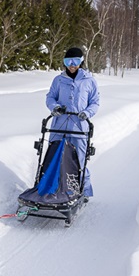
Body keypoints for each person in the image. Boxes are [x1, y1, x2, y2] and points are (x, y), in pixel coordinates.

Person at [44, 45, 100, 198]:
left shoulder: (89, 81)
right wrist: (55, 107)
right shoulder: (59, 80)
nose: (72, 65)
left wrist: (86, 113)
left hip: (79, 128)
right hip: (59, 127)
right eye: (69, 61)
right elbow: (50, 97)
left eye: (76, 61)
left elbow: (95, 102)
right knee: (54, 158)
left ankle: (83, 191)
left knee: (78, 162)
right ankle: (51, 188)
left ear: (81, 61)